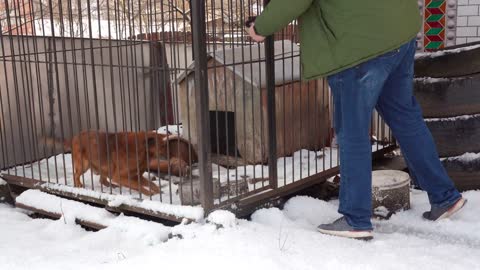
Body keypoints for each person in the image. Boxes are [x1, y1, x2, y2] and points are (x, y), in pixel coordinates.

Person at [247, 0, 467, 240]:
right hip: (399, 32)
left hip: (358, 48)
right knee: (405, 117)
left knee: (353, 131)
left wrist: (260, 27)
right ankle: (444, 196)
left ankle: (355, 218)